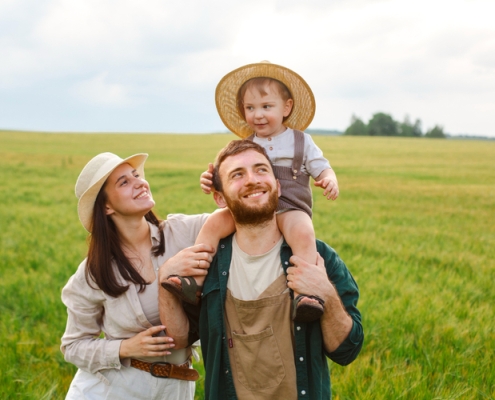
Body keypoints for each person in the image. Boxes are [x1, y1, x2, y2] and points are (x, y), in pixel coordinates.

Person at [198, 140, 363, 399]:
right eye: (237, 174)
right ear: (219, 197)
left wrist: (326, 294)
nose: (253, 180)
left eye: (262, 170)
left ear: (279, 185)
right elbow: (179, 337)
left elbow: (347, 351)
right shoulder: (207, 265)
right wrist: (167, 277)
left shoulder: (319, 258)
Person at [60, 152, 224, 399]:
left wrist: (222, 186)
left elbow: (245, 214)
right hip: (113, 389)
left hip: (177, 387)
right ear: (106, 206)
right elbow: (73, 346)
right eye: (124, 182)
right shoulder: (93, 272)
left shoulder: (184, 232)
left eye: (136, 175)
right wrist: (125, 348)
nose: (139, 182)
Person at [193, 61, 339, 323]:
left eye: (266, 107)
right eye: (250, 108)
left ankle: (305, 295)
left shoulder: (301, 141)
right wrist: (210, 180)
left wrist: (329, 180)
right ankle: (193, 279)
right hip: (251, 208)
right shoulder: (244, 144)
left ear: (287, 107)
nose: (257, 115)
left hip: (290, 207)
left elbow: (322, 168)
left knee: (303, 233)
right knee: (215, 222)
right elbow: (224, 173)